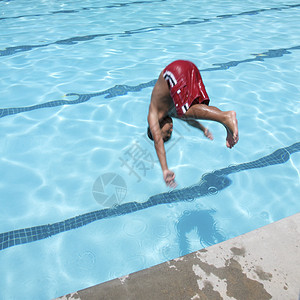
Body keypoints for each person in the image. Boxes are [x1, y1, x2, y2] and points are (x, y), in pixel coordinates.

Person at [147, 60, 239, 188]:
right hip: (189, 69)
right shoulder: (171, 111)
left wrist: (165, 169)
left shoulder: (153, 114)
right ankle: (226, 124)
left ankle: (226, 117)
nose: (171, 130)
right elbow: (190, 120)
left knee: (184, 111)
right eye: (170, 133)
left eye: (167, 133)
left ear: (155, 129)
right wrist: (202, 129)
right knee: (192, 109)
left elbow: (158, 142)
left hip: (174, 72)